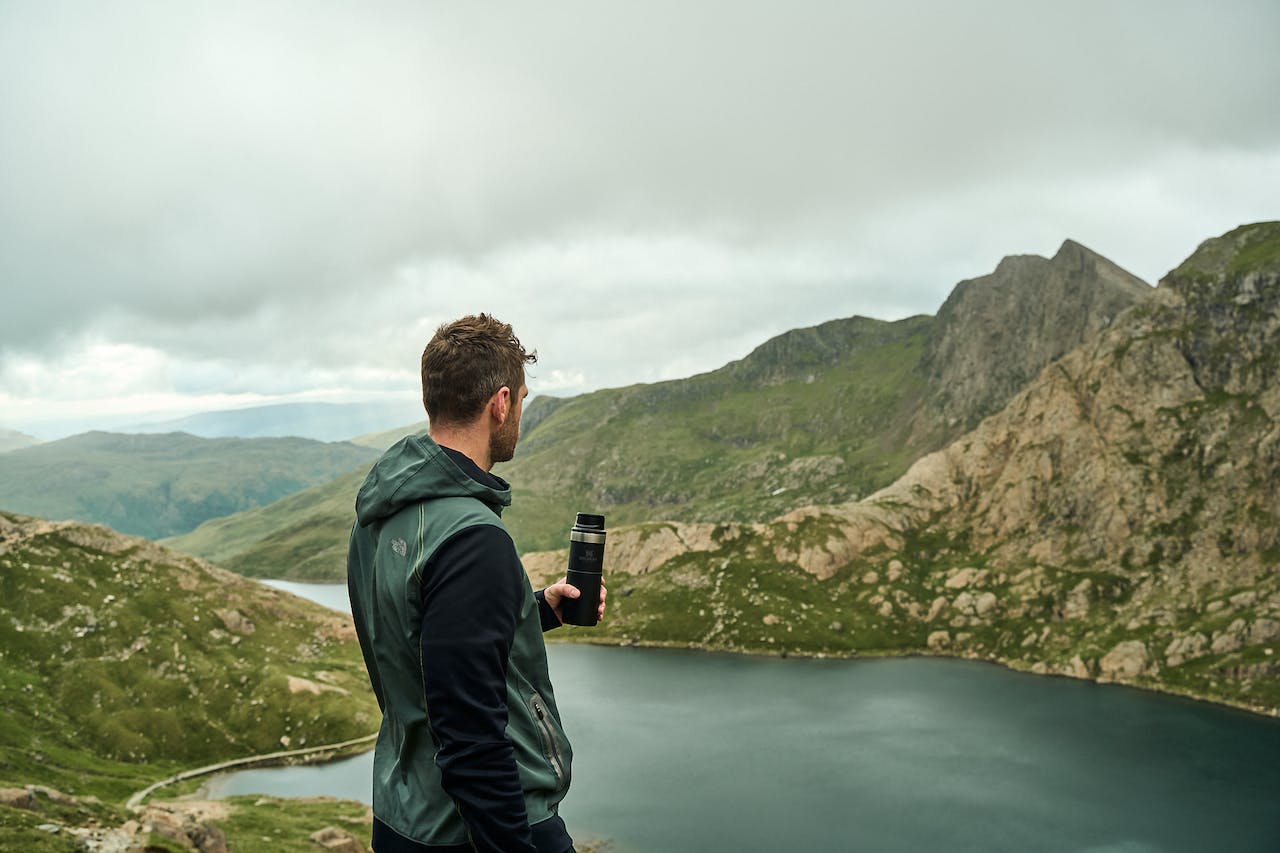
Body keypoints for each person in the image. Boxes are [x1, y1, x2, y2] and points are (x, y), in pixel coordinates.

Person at [346, 313, 605, 853]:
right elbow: (471, 741)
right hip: (475, 831)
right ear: (501, 402)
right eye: (523, 400)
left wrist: (539, 609)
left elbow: (427, 639)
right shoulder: (472, 538)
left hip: (403, 818)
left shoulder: (380, 512)